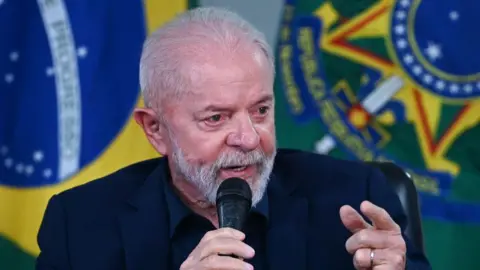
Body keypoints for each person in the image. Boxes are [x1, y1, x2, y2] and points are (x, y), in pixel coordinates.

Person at [35, 6, 431, 270]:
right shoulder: (81, 224)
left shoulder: (355, 196)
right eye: (216, 117)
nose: (247, 137)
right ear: (155, 129)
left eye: (260, 110)